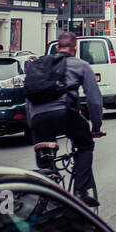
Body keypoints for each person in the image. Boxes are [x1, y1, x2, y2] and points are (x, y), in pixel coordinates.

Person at [27, 31, 104, 207]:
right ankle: (80, 191)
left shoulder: (39, 66)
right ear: (75, 48)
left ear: (56, 47)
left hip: (38, 119)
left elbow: (28, 98)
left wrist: (33, 125)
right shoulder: (81, 65)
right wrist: (96, 126)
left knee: (43, 153)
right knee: (85, 145)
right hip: (66, 115)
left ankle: (49, 191)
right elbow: (94, 100)